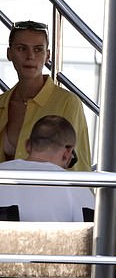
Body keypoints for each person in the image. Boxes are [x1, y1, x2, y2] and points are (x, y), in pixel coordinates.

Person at [0, 20, 91, 171]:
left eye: (38, 49)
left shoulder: (68, 103)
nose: (30, 56)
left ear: (47, 55)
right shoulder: (2, 103)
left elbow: (79, 169)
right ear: (9, 54)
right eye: (22, 48)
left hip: (50, 194)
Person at [0, 115, 95, 221]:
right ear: (68, 152)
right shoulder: (76, 187)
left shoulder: (2, 173)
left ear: (27, 145)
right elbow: (94, 233)